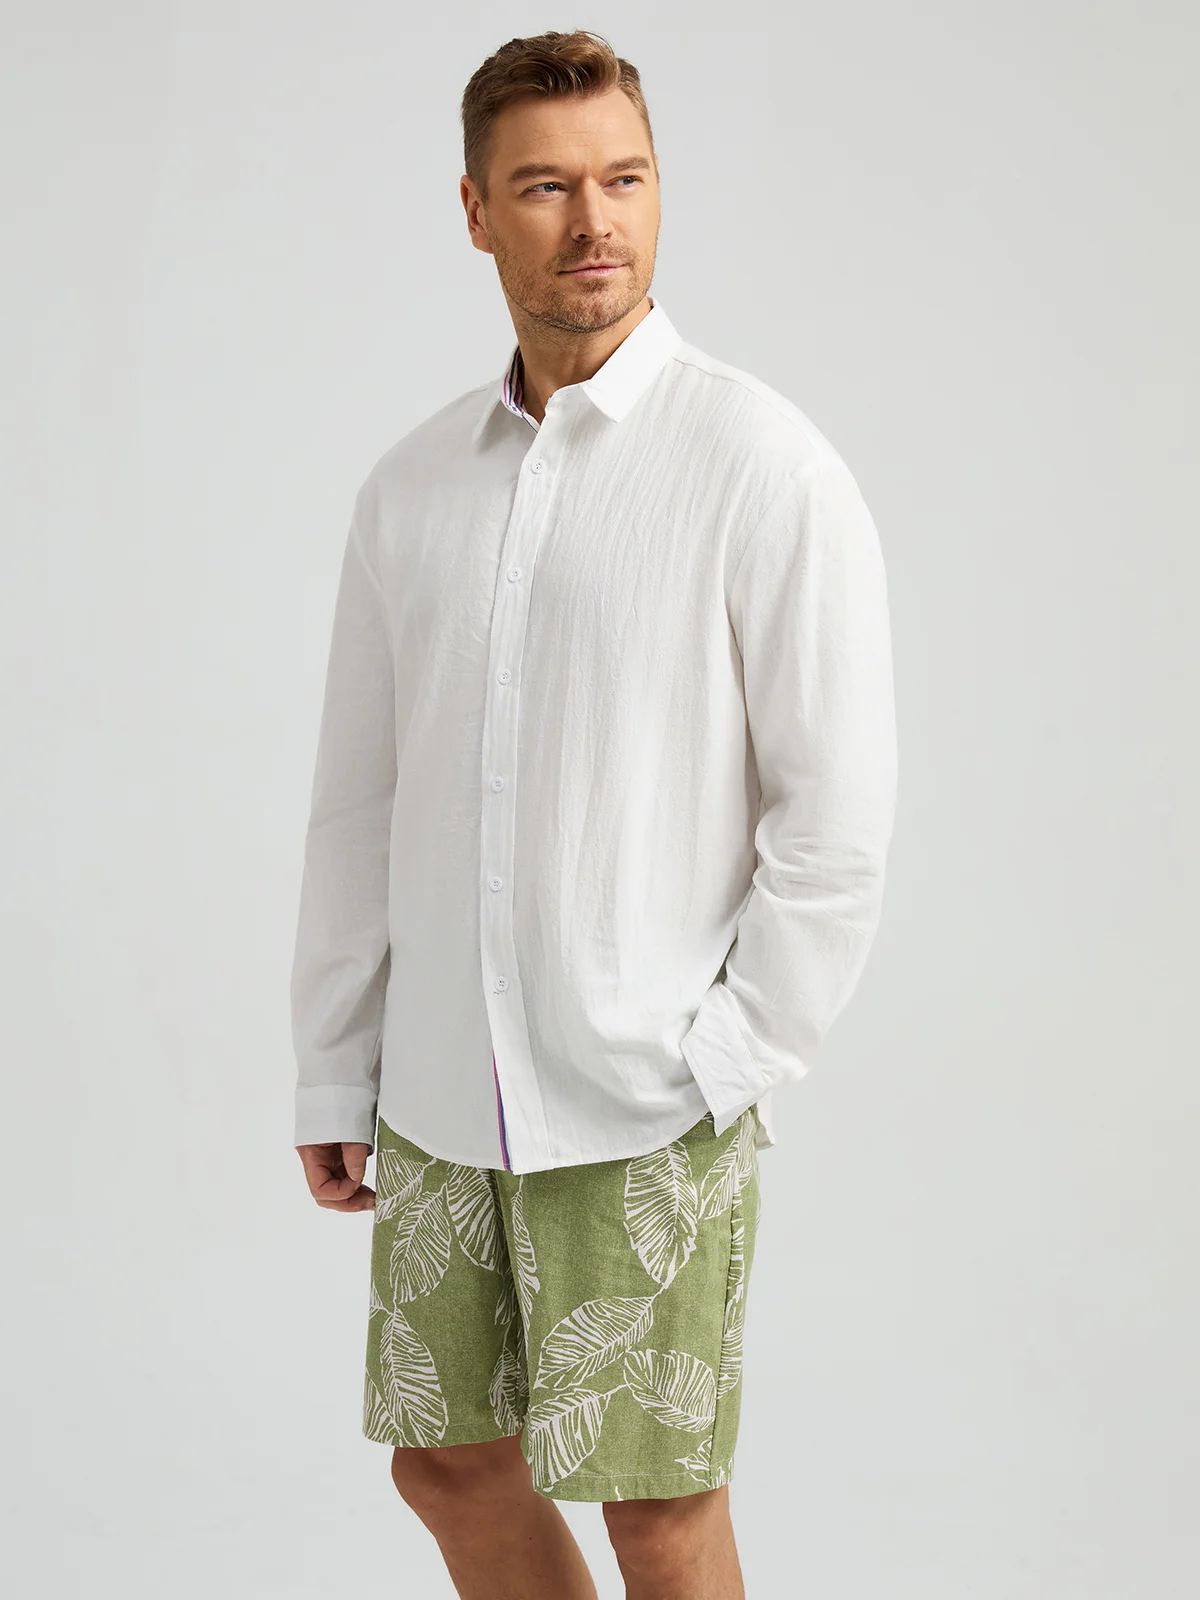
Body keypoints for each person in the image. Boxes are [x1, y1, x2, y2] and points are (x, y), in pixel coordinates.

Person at [290, 28, 897, 1600]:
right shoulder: (411, 488)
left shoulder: (762, 466)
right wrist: (336, 1057)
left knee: (659, 1507)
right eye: (547, 187)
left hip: (643, 1099)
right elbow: (360, 802)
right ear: (476, 211)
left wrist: (725, 1061)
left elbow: (833, 822)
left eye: (624, 179)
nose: (594, 223)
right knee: (446, 1463)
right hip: (440, 1095)